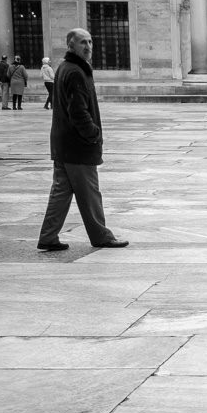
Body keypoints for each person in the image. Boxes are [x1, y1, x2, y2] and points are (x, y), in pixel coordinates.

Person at [37, 28, 128, 252]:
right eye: (82, 42)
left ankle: (48, 236)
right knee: (90, 193)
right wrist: (93, 134)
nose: (88, 46)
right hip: (77, 146)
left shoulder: (65, 67)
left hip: (63, 144)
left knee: (61, 192)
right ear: (71, 45)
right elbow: (78, 111)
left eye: (90, 41)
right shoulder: (76, 71)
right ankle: (101, 236)